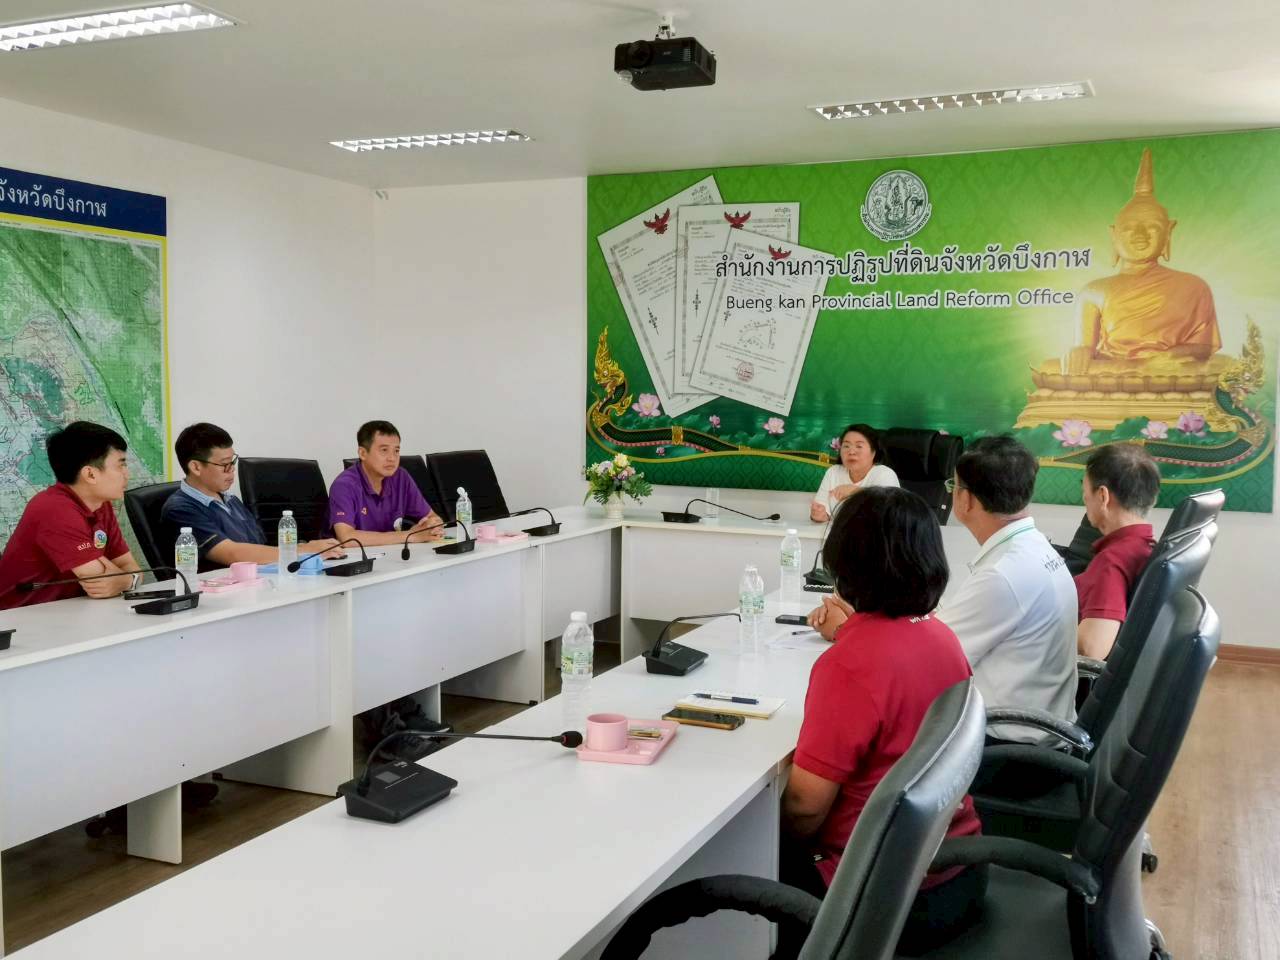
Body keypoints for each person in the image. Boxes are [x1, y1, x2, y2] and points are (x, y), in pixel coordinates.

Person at [782, 487, 984, 957]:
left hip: (876, 895)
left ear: (844, 561)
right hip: (955, 866)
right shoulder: (941, 637)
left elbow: (803, 809)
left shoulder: (849, 664)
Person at [0, 421, 142, 609]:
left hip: (69, 612)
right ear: (90, 474)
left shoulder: (101, 504)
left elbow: (131, 567)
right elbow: (99, 580)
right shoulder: (53, 508)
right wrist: (128, 579)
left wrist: (125, 580)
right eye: (120, 466)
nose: (127, 474)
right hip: (19, 621)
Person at [160, 422, 341, 568]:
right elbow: (233, 554)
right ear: (196, 467)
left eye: (233, 462)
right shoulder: (181, 509)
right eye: (224, 465)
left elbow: (259, 545)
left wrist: (302, 547)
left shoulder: (230, 500)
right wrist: (303, 551)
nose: (232, 470)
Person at [1075, 444, 1160, 660]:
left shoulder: (1113, 561)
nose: (1085, 500)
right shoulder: (1144, 547)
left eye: (1086, 494)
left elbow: (1091, 649)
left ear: (1102, 496)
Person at [328, 420, 443, 547]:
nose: (392, 458)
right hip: (350, 561)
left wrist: (432, 525)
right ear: (362, 453)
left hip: (392, 555)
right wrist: (411, 536)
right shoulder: (344, 485)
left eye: (396, 451)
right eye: (384, 450)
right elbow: (346, 538)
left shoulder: (401, 477)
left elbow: (432, 516)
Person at [810, 423, 899, 523]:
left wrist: (856, 492)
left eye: (859, 446)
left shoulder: (885, 474)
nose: (851, 452)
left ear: (874, 452)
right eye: (846, 446)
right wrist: (819, 515)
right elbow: (822, 507)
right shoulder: (833, 472)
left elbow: (890, 513)